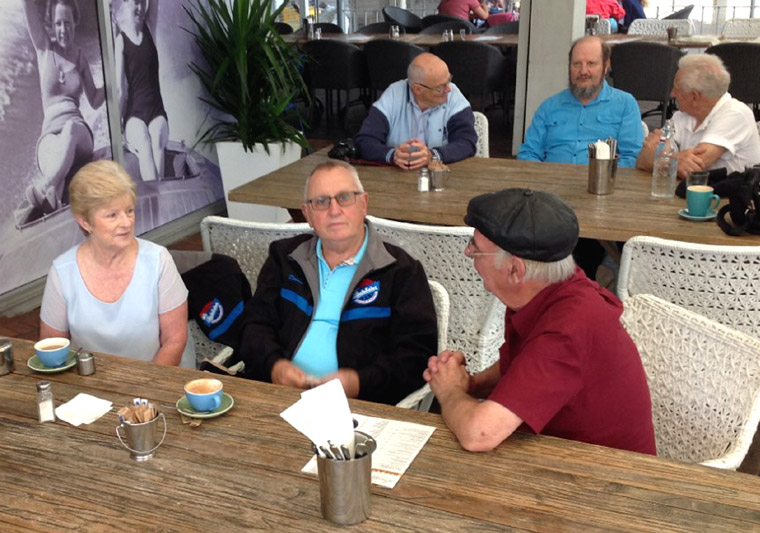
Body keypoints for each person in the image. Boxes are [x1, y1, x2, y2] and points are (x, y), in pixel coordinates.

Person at [424, 188, 656, 455]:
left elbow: (480, 434)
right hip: (558, 451)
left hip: (605, 471)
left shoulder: (568, 328)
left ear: (515, 270)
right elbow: (528, 363)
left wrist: (449, 392)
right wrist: (472, 384)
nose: (468, 252)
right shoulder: (547, 287)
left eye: (475, 249)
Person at [239, 160, 438, 405]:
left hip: (359, 407)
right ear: (307, 214)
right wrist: (274, 366)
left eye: (344, 197)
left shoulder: (401, 271)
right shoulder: (285, 257)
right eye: (321, 201)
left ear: (363, 203)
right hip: (277, 395)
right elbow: (254, 325)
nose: (334, 210)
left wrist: (359, 383)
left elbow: (416, 356)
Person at [39, 160, 194, 367]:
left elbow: (174, 341)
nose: (126, 222)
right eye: (112, 215)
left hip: (155, 379)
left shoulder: (158, 260)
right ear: (85, 222)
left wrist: (143, 386)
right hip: (88, 382)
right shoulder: (62, 271)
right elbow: (52, 348)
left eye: (129, 211)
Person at [22, 0, 105, 213]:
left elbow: (95, 99)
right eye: (58, 23)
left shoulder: (80, 58)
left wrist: (114, 81)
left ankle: (45, 185)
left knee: (70, 128)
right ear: (51, 24)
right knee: (54, 154)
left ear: (75, 22)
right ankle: (53, 198)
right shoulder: (43, 48)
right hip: (49, 135)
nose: (63, 29)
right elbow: (27, 5)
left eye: (67, 23)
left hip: (78, 132)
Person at [517, 36, 643, 167]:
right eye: (577, 64)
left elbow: (632, 157)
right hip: (552, 178)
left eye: (591, 63)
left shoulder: (625, 104)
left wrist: (603, 175)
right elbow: (528, 153)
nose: (583, 71)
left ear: (606, 66)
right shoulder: (549, 106)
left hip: (601, 179)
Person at [636, 54, 760, 179]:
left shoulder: (735, 114)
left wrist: (662, 156)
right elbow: (642, 160)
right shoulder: (681, 116)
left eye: (677, 88)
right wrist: (675, 159)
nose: (672, 94)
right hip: (690, 189)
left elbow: (695, 167)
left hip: (731, 191)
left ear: (694, 96)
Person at [355, 53, 477, 170]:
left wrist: (432, 156)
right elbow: (365, 140)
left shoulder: (454, 96)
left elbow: (467, 142)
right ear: (417, 89)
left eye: (448, 80)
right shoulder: (393, 95)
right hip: (396, 176)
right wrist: (393, 155)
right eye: (440, 87)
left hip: (443, 175)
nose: (448, 89)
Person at [114, 0, 169, 182]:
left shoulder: (150, 26)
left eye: (143, 2)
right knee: (144, 142)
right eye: (136, 2)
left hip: (157, 113)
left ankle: (157, 195)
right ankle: (159, 194)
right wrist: (117, 131)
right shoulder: (121, 42)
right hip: (134, 116)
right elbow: (120, 91)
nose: (140, 8)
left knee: (157, 137)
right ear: (126, 3)